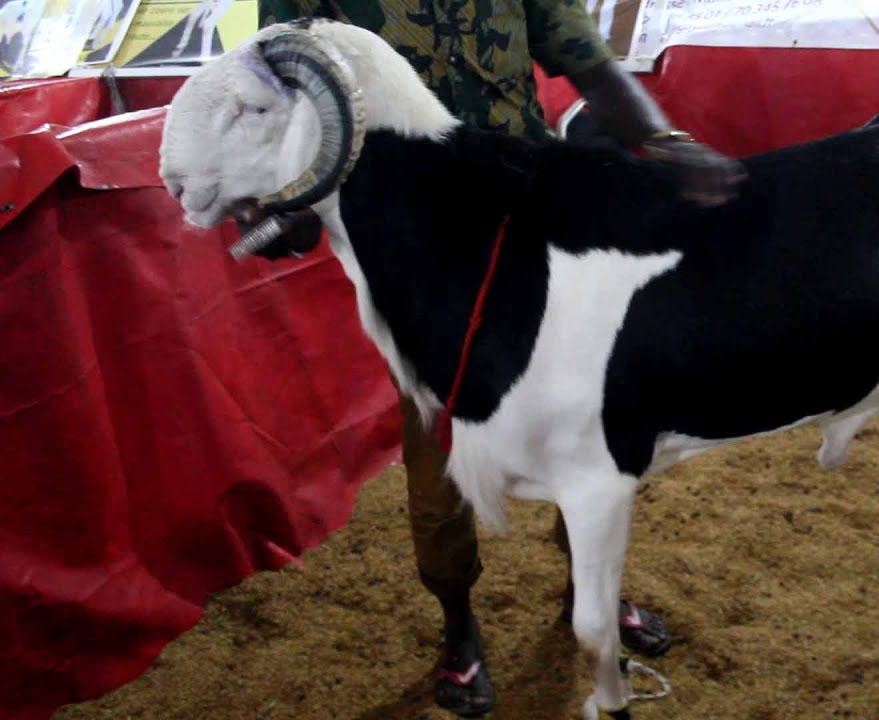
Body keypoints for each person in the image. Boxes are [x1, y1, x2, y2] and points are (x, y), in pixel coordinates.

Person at [240, 0, 747, 716]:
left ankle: (591, 592)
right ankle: (458, 627)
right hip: (415, 251)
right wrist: (279, 199)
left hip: (532, 220)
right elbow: (284, 89)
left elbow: (585, 58)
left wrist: (663, 139)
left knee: (585, 416)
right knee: (440, 448)